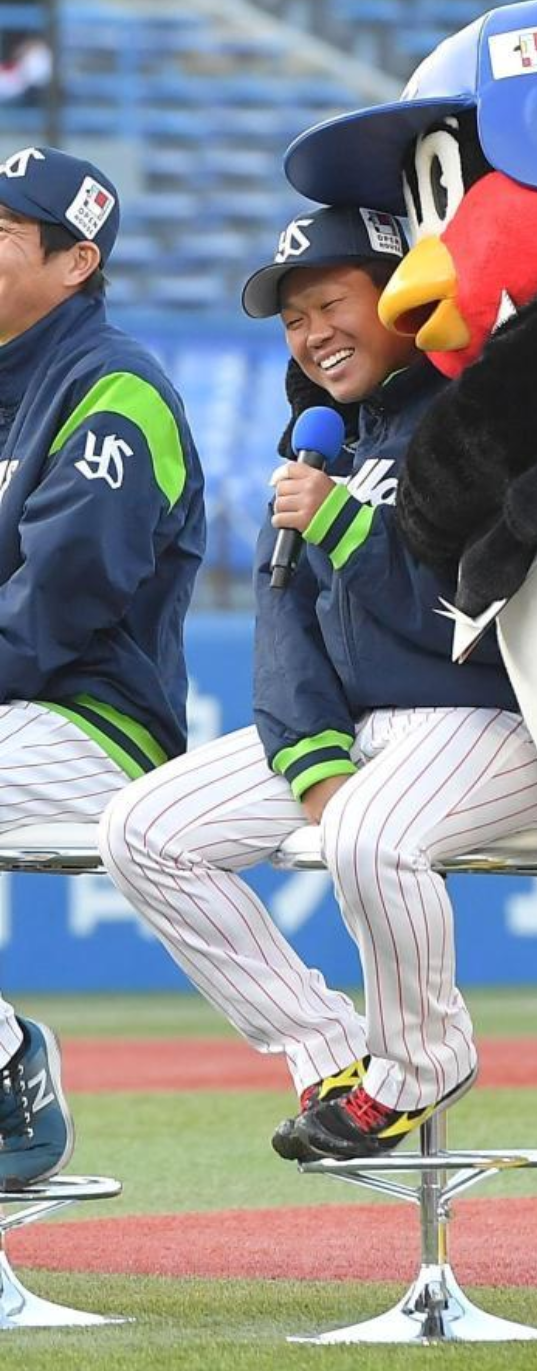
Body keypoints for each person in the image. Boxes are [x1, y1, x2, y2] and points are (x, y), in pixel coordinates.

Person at [100, 204, 537, 1161]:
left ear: (402, 294)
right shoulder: (324, 443)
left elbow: (485, 621)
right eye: (292, 319)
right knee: (144, 831)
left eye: (331, 302)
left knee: (371, 835)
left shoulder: (482, 414)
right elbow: (284, 630)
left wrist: (346, 529)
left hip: (507, 720)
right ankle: (329, 1052)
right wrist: (313, 760)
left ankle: (419, 1063)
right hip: (374, 731)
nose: (313, 334)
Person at [0, 144, 205, 1186]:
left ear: (76, 261)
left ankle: (8, 1062)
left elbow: (58, 608)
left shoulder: (115, 390)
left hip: (96, 725)